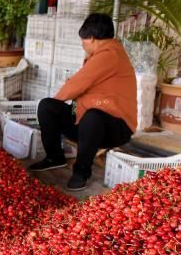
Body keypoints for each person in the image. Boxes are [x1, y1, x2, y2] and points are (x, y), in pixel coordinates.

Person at [29, 14, 136, 191]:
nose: (82, 45)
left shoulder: (110, 55)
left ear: (91, 39)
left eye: (83, 41)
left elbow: (78, 83)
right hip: (87, 124)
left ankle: (81, 171)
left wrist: (60, 100)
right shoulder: (103, 54)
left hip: (116, 128)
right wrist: (56, 107)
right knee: (48, 106)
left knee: (93, 116)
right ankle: (55, 157)